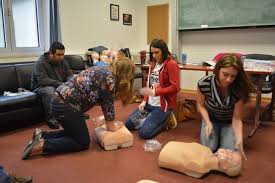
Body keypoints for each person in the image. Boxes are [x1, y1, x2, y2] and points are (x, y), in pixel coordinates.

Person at [22, 58, 135, 160]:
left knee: (74, 133)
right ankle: (42, 146)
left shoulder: (103, 69)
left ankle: (42, 136)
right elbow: (109, 115)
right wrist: (113, 125)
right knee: (82, 142)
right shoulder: (110, 81)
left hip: (58, 100)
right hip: (66, 106)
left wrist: (106, 118)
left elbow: (98, 98)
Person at [197, 54, 256, 158]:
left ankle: (223, 137)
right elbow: (201, 106)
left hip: (229, 122)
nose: (228, 79)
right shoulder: (204, 83)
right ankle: (217, 136)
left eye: (233, 76)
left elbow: (237, 118)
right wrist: (207, 122)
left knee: (228, 153)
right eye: (225, 74)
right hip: (211, 119)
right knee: (207, 149)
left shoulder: (238, 89)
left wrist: (239, 138)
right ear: (217, 70)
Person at [125, 38, 180, 139]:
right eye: (152, 53)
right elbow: (149, 85)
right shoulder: (153, 64)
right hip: (149, 104)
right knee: (128, 124)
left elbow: (175, 87)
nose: (154, 55)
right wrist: (144, 101)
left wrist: (156, 92)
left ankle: (167, 121)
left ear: (163, 51)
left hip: (162, 106)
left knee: (144, 133)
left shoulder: (171, 64)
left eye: (157, 52)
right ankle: (151, 118)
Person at [31, 41, 73, 129]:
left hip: (57, 85)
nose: (61, 57)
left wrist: (71, 82)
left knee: (72, 85)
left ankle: (74, 113)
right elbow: (42, 80)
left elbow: (69, 74)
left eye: (63, 54)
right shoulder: (40, 63)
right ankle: (51, 118)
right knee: (50, 90)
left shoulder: (63, 62)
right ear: (51, 53)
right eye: (58, 55)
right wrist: (60, 84)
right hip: (40, 88)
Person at [158, 141, 243, 178]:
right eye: (231, 151)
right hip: (170, 146)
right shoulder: (207, 150)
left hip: (164, 156)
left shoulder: (200, 167)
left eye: (230, 157)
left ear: (225, 166)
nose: (228, 151)